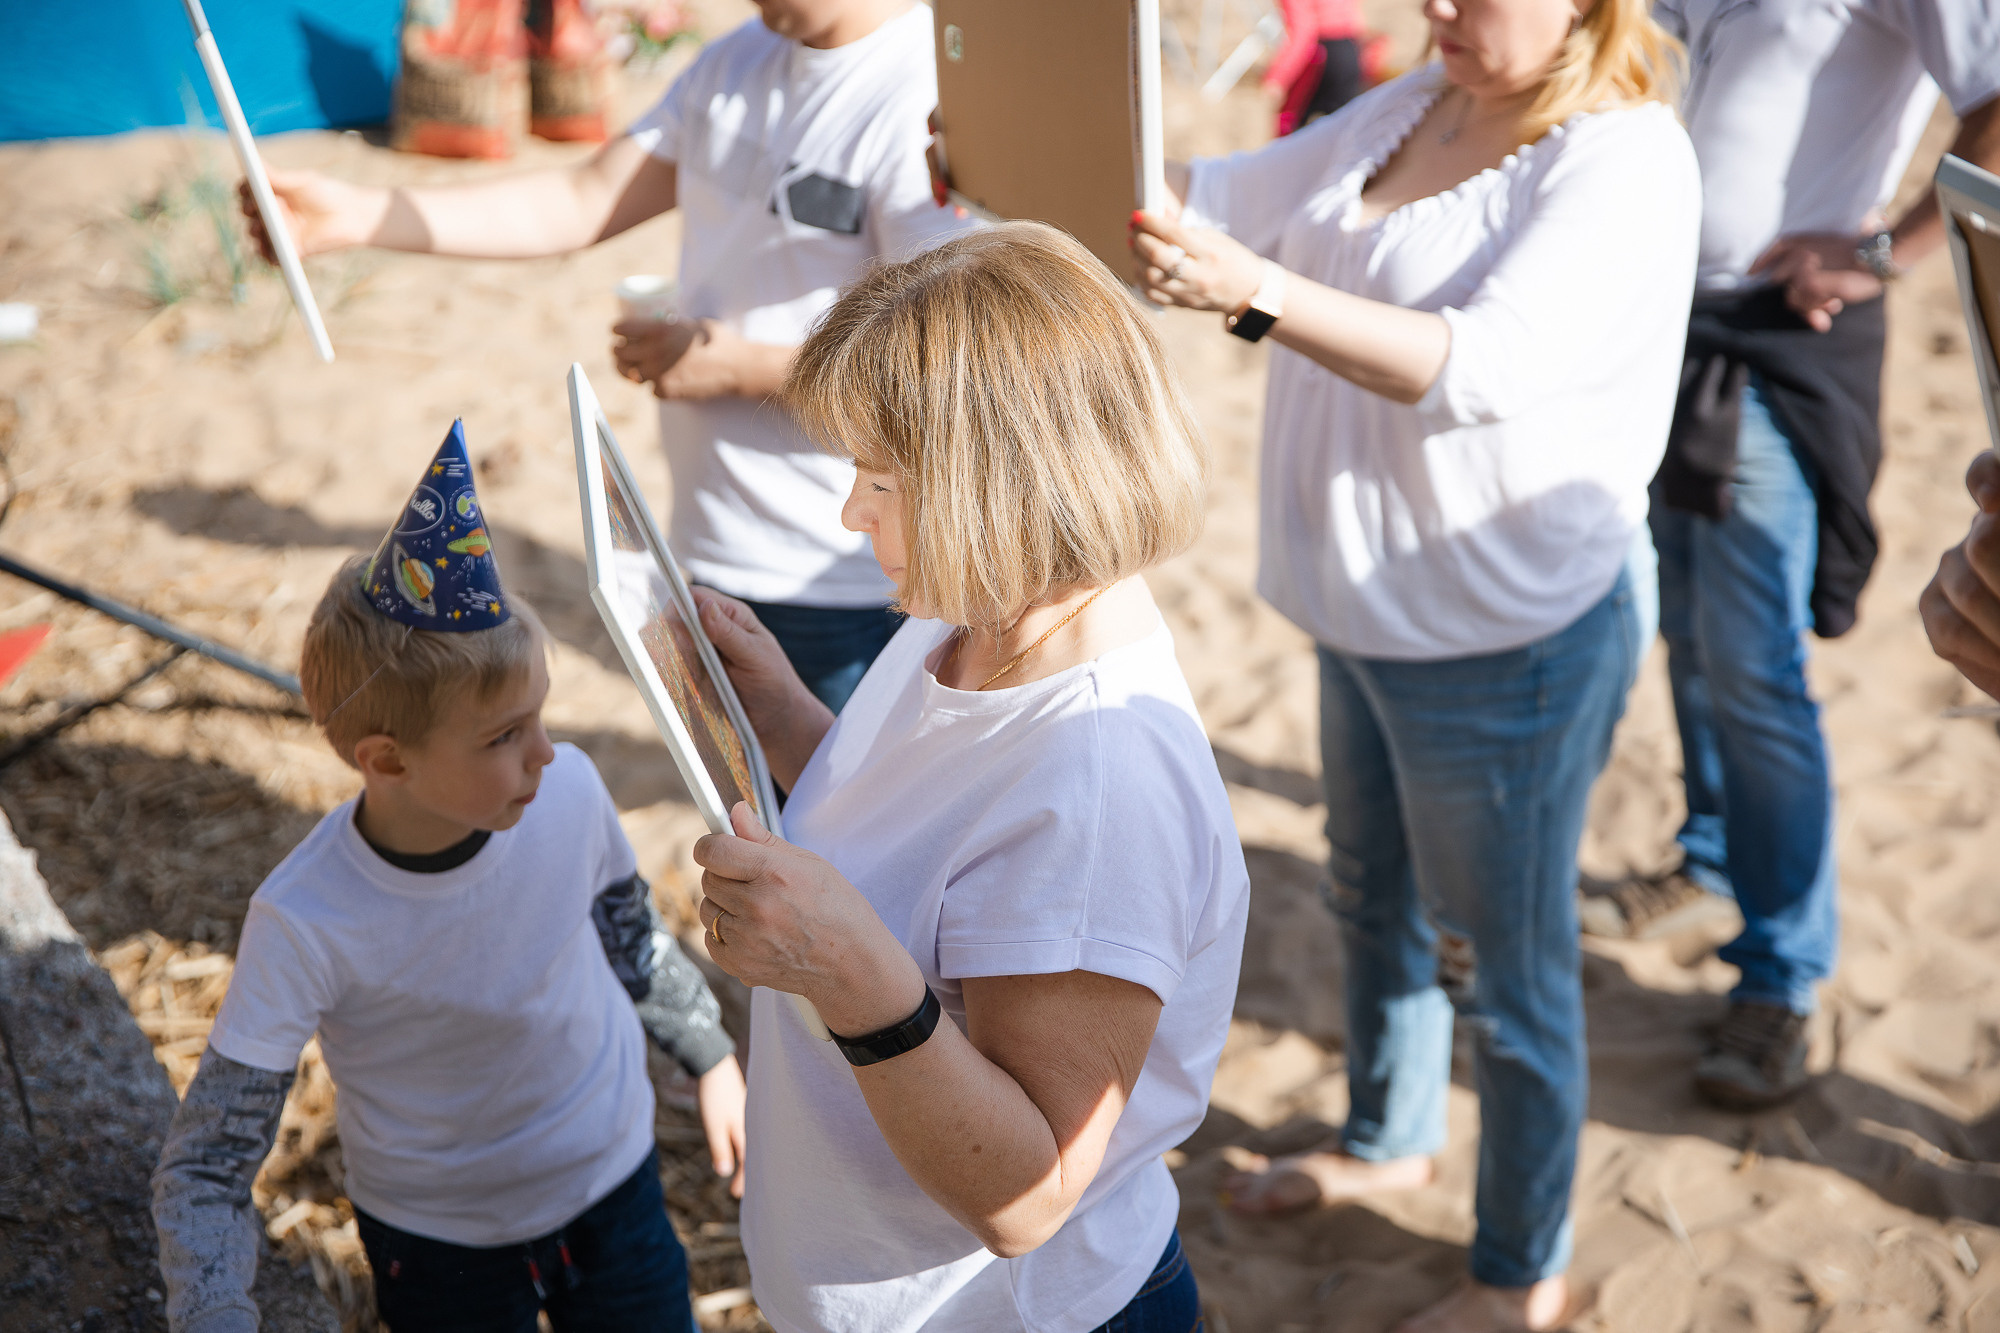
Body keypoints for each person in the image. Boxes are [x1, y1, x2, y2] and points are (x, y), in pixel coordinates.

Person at [1128, 0, 1696, 1326]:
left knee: (1505, 966)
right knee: (1369, 893)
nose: (1432, 4)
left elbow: (1475, 367)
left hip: (1504, 639)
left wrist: (1255, 293)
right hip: (1365, 606)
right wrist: (1028, 157)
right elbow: (1206, 192)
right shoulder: (1408, 104)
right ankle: (1388, 1136)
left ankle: (1519, 1268)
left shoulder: (1622, 156)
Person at [678, 222, 1249, 1333]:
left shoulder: (1094, 788)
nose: (852, 512)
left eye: (881, 479)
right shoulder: (977, 610)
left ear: (1004, 483)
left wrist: (851, 975)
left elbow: (1029, 1192)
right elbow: (929, 835)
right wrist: (786, 716)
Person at [151, 423, 745, 1333]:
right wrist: (213, 1308)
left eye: (539, 716)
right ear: (386, 760)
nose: (547, 752)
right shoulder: (305, 918)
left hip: (613, 1182)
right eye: (504, 736)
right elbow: (209, 1163)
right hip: (439, 1243)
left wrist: (709, 1055)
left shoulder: (572, 791)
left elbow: (631, 939)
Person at [245, 0, 974, 714]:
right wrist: (354, 215)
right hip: (711, 535)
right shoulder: (733, 61)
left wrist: (734, 363)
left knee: (828, 818)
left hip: (841, 565)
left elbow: (945, 361)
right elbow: (580, 197)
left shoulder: (929, 101)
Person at [1581, 0, 2000, 1111]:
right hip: (1643, 325)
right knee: (1685, 632)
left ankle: (1779, 975)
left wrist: (1879, 250)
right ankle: (1709, 861)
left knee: (1753, 666)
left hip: (1777, 344)